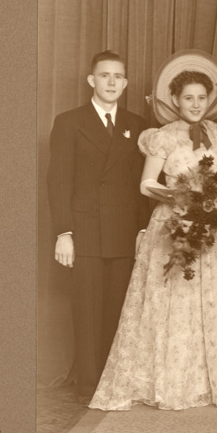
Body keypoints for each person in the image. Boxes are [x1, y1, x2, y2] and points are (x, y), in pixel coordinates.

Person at [89, 50, 217, 410]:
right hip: (173, 221)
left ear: (211, 100)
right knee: (174, 299)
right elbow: (146, 184)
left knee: (216, 301)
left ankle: (216, 380)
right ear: (175, 100)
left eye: (202, 98)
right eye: (188, 98)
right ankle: (173, 381)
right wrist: (181, 196)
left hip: (214, 227)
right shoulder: (162, 137)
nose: (195, 104)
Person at [47, 50, 151, 391]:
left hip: (122, 232)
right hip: (85, 230)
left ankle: (112, 382)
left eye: (118, 76)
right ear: (91, 80)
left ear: (125, 83)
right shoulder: (69, 121)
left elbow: (142, 186)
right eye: (105, 76)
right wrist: (64, 232)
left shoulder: (137, 126)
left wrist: (141, 229)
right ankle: (89, 384)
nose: (112, 82)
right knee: (87, 310)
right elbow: (58, 180)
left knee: (117, 310)